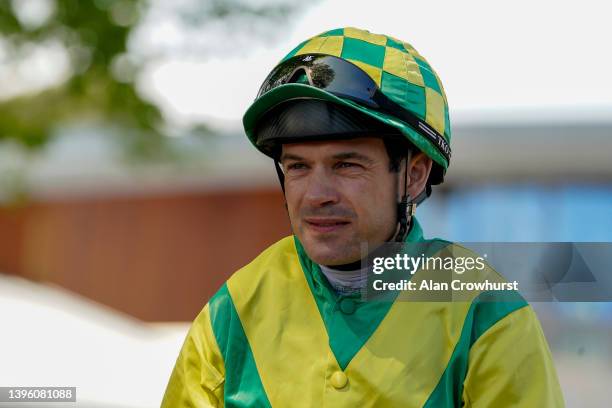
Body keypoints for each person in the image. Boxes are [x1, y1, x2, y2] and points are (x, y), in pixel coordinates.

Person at [161, 27, 564, 407]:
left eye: (347, 165)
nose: (316, 195)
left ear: (415, 174)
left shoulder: (486, 311)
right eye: (298, 166)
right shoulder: (233, 309)